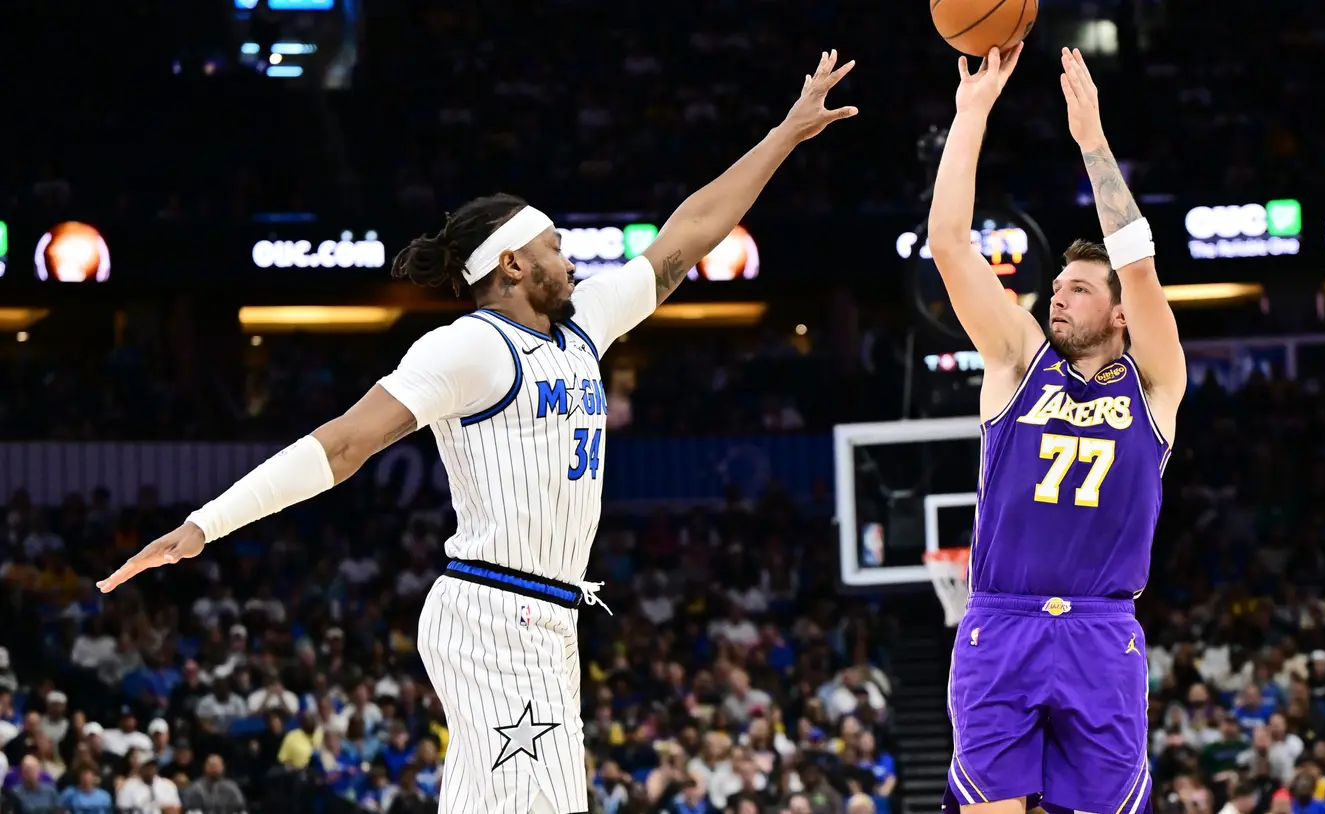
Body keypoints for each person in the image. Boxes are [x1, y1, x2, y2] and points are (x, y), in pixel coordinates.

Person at [96, 49, 858, 814]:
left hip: (540, 614)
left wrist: (784, 135)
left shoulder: (585, 323)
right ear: (512, 265)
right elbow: (345, 443)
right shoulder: (468, 347)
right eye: (554, 246)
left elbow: (687, 233)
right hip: (497, 612)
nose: (568, 258)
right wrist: (206, 524)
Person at [926, 45, 1186, 814]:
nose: (1058, 298)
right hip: (1001, 620)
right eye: (1058, 287)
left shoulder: (1155, 384)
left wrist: (1092, 141)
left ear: (1119, 314)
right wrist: (971, 113)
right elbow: (949, 245)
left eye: (1079, 289)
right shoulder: (1018, 358)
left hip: (1101, 632)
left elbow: (1139, 268)